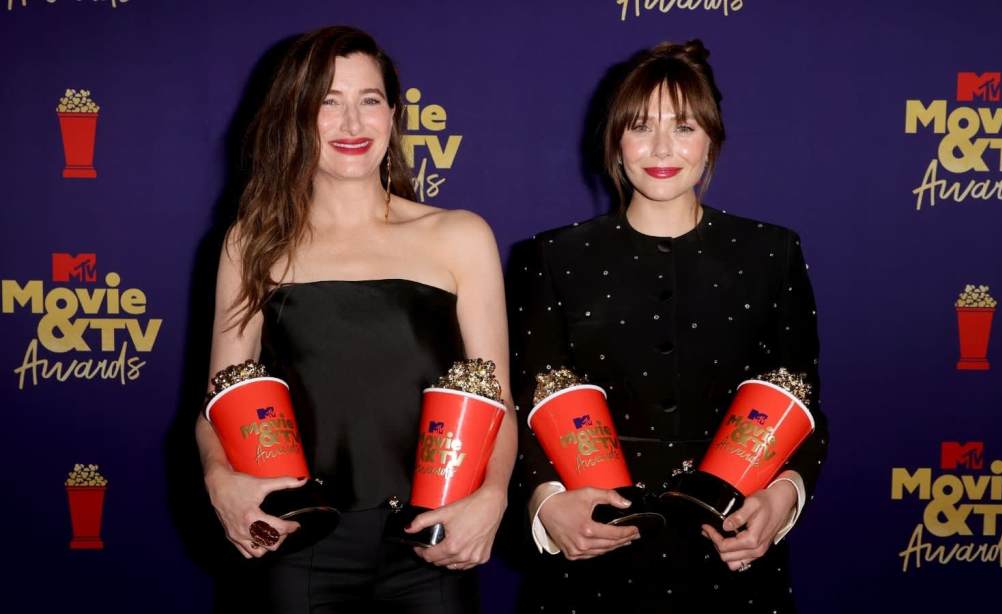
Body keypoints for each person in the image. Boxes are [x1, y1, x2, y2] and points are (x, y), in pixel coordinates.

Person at [195, 26, 515, 614]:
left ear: (392, 115)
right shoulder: (253, 244)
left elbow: (498, 403)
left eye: (369, 100)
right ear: (296, 115)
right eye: (329, 101)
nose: (352, 123)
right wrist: (221, 483)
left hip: (431, 540)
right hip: (296, 542)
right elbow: (219, 403)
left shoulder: (459, 235)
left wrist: (492, 497)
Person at [508, 40, 828, 612]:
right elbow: (524, 406)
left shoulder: (771, 252)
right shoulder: (552, 258)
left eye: (683, 127)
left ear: (711, 140)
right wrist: (547, 504)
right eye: (640, 127)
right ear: (615, 141)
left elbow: (801, 404)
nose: (661, 148)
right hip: (593, 556)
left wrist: (784, 497)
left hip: (731, 550)